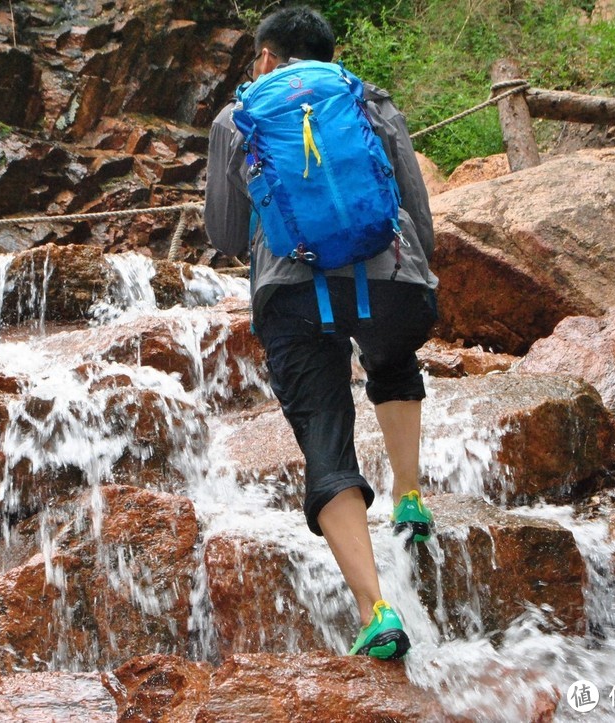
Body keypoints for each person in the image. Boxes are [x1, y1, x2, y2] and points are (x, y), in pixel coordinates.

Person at [203, 5, 438, 660]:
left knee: (327, 441)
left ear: (268, 57)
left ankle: (376, 609)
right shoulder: (367, 98)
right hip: (393, 280)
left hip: (292, 293)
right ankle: (411, 495)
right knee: (390, 357)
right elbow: (414, 206)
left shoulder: (237, 117)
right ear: (328, 55)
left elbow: (223, 233)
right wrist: (417, 279)